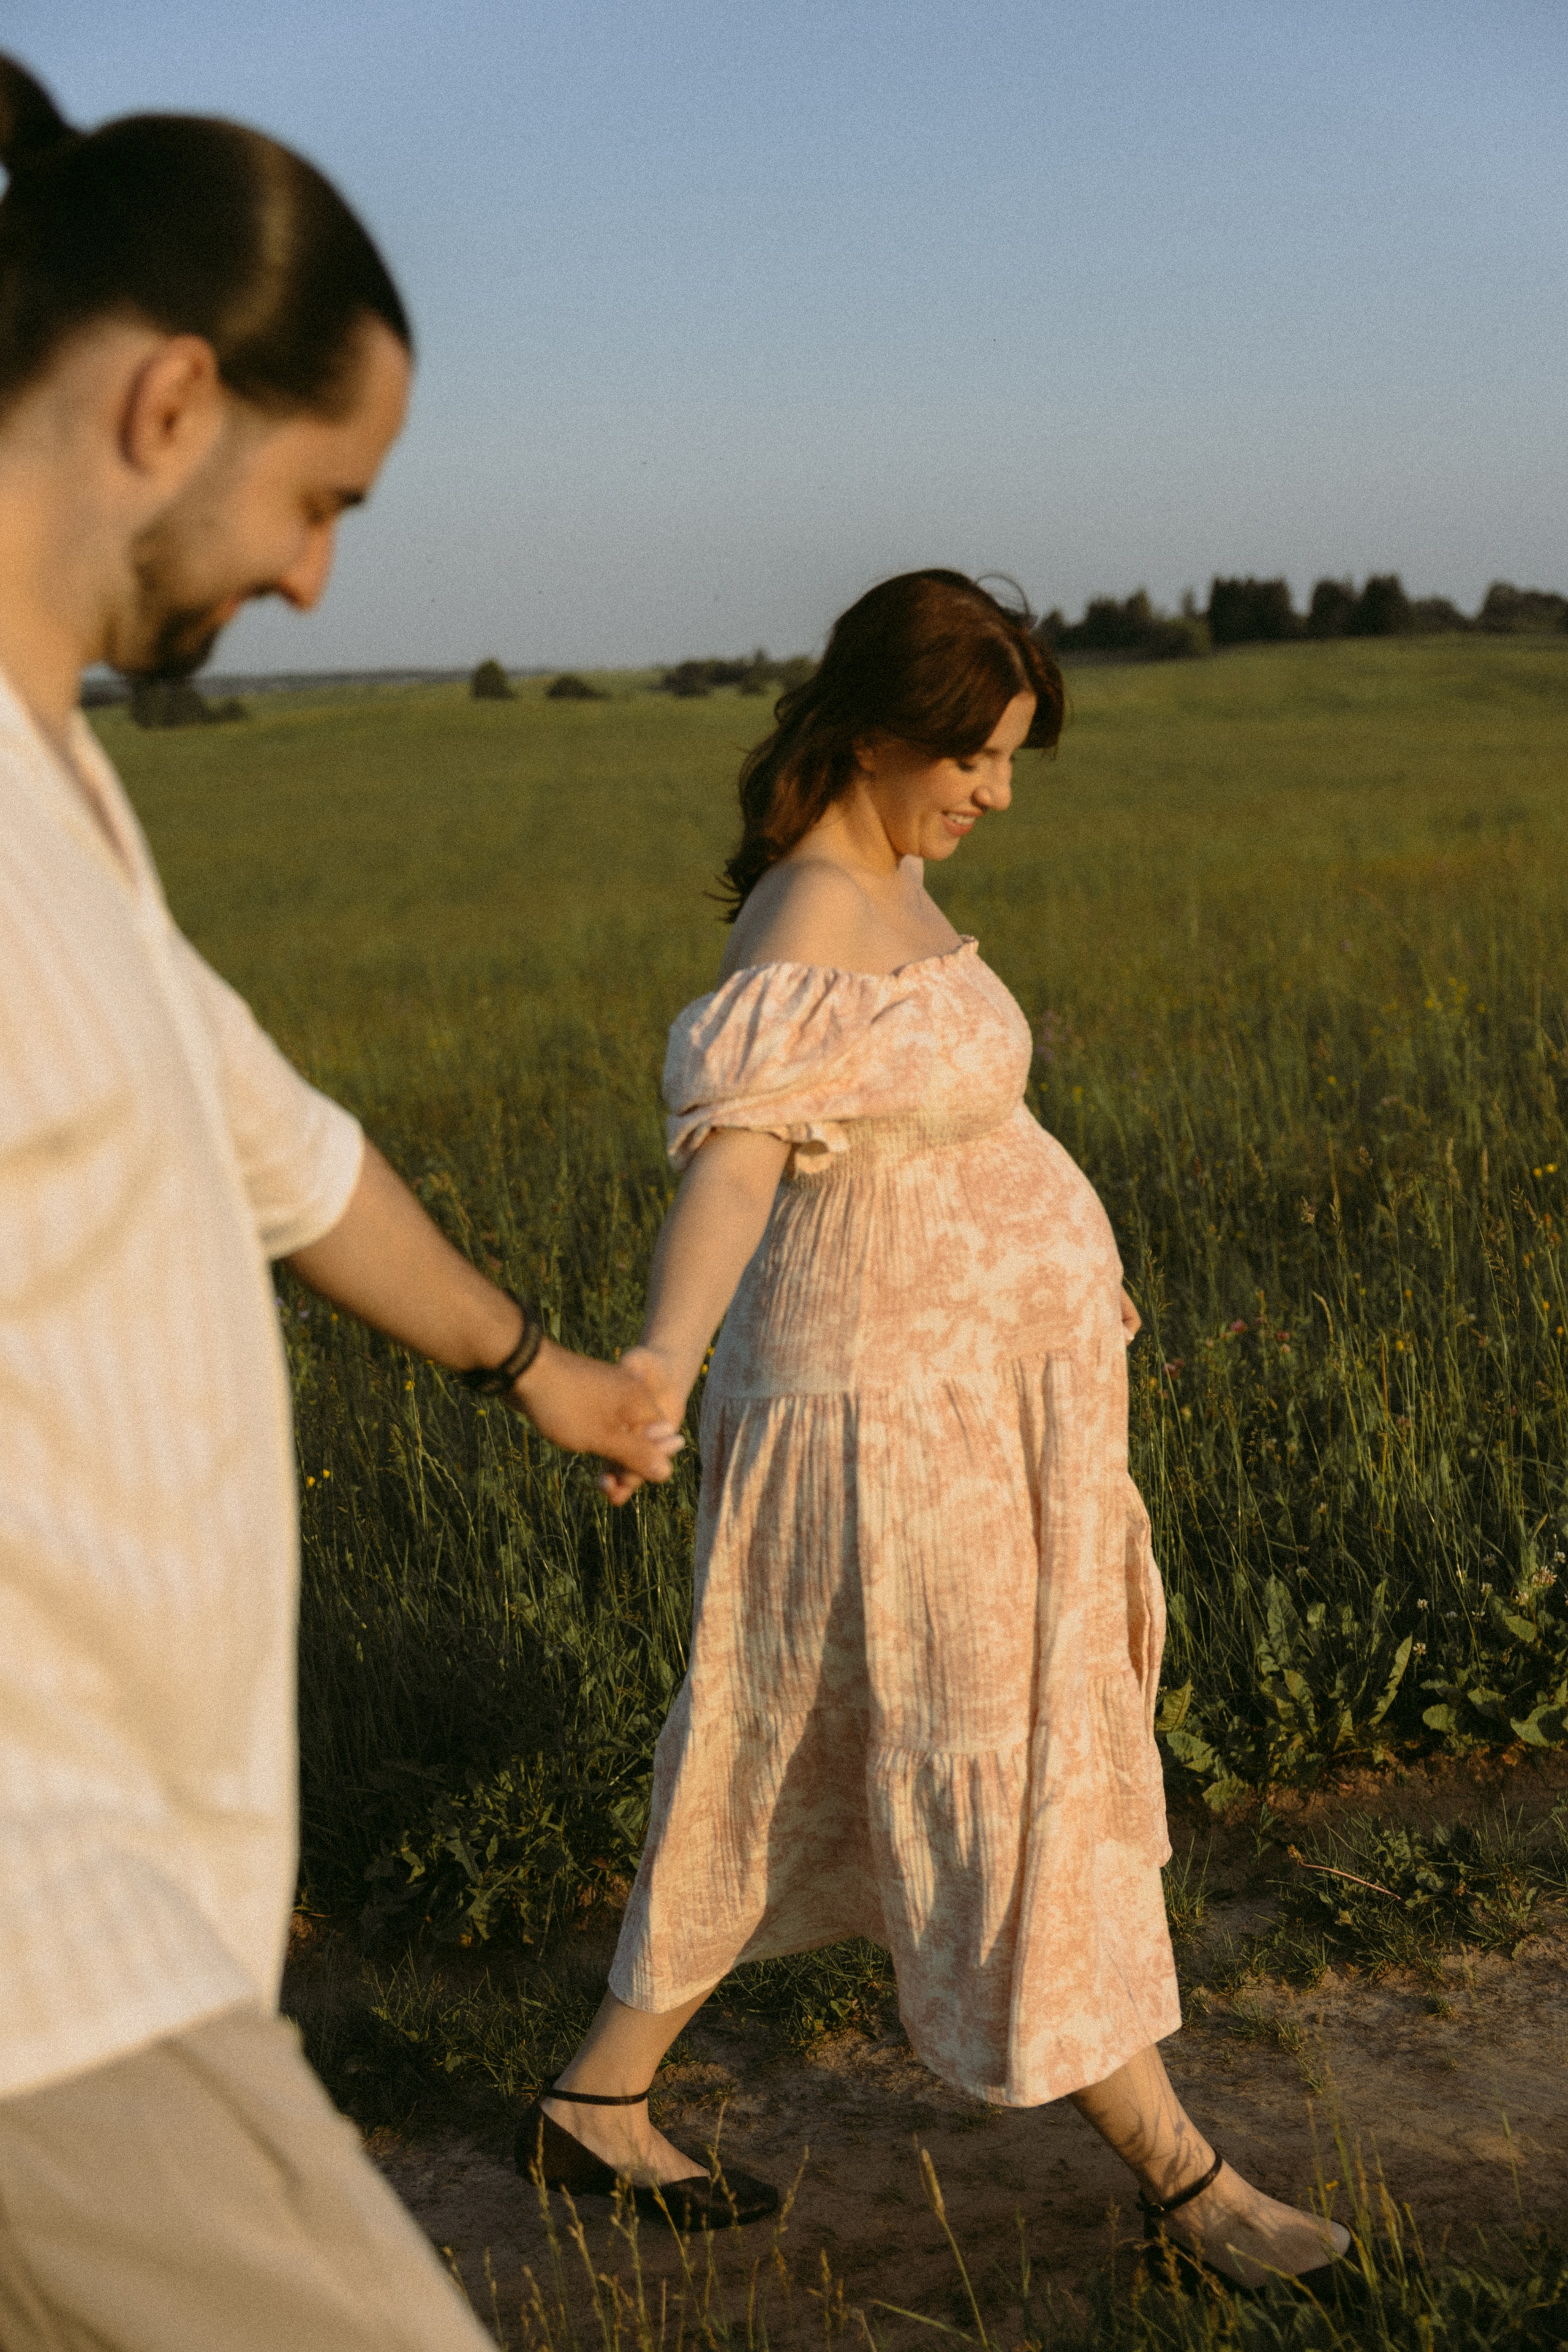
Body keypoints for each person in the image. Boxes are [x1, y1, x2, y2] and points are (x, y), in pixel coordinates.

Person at [0, 56, 680, 2352]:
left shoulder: (60, 800)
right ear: (174, 400)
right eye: (324, 495)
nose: (313, 571)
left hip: (142, 1933)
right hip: (43, 1968)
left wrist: (543, 1372)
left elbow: (294, 1160)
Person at [522, 570, 1352, 2288]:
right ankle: (1190, 2180)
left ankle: (598, 2102)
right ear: (888, 732)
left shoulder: (887, 875)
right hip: (879, 1426)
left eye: (1011, 760)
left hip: (968, 1413)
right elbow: (737, 1162)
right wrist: (659, 1362)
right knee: (994, 1763)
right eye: (978, 757)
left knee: (784, 1744)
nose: (997, 792)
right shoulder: (808, 918)